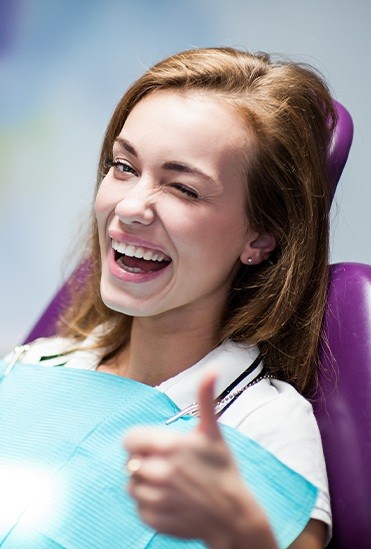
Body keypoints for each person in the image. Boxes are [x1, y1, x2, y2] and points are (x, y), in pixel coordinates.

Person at [2, 47, 336, 548]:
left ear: (260, 238)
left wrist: (244, 535)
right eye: (123, 166)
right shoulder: (35, 365)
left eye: (183, 189)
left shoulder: (261, 423)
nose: (131, 207)